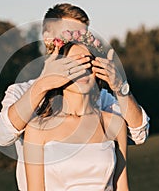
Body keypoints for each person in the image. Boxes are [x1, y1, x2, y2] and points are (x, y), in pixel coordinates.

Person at [0, 3, 150, 190]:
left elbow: (139, 133)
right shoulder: (21, 92)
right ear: (48, 39)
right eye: (71, 33)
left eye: (83, 34)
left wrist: (120, 87)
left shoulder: (102, 99)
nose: (78, 39)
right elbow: (2, 135)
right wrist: (43, 84)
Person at [24, 37, 129, 190]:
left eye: (88, 62)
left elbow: (122, 188)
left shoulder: (115, 124)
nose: (83, 70)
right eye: (74, 65)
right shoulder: (37, 129)